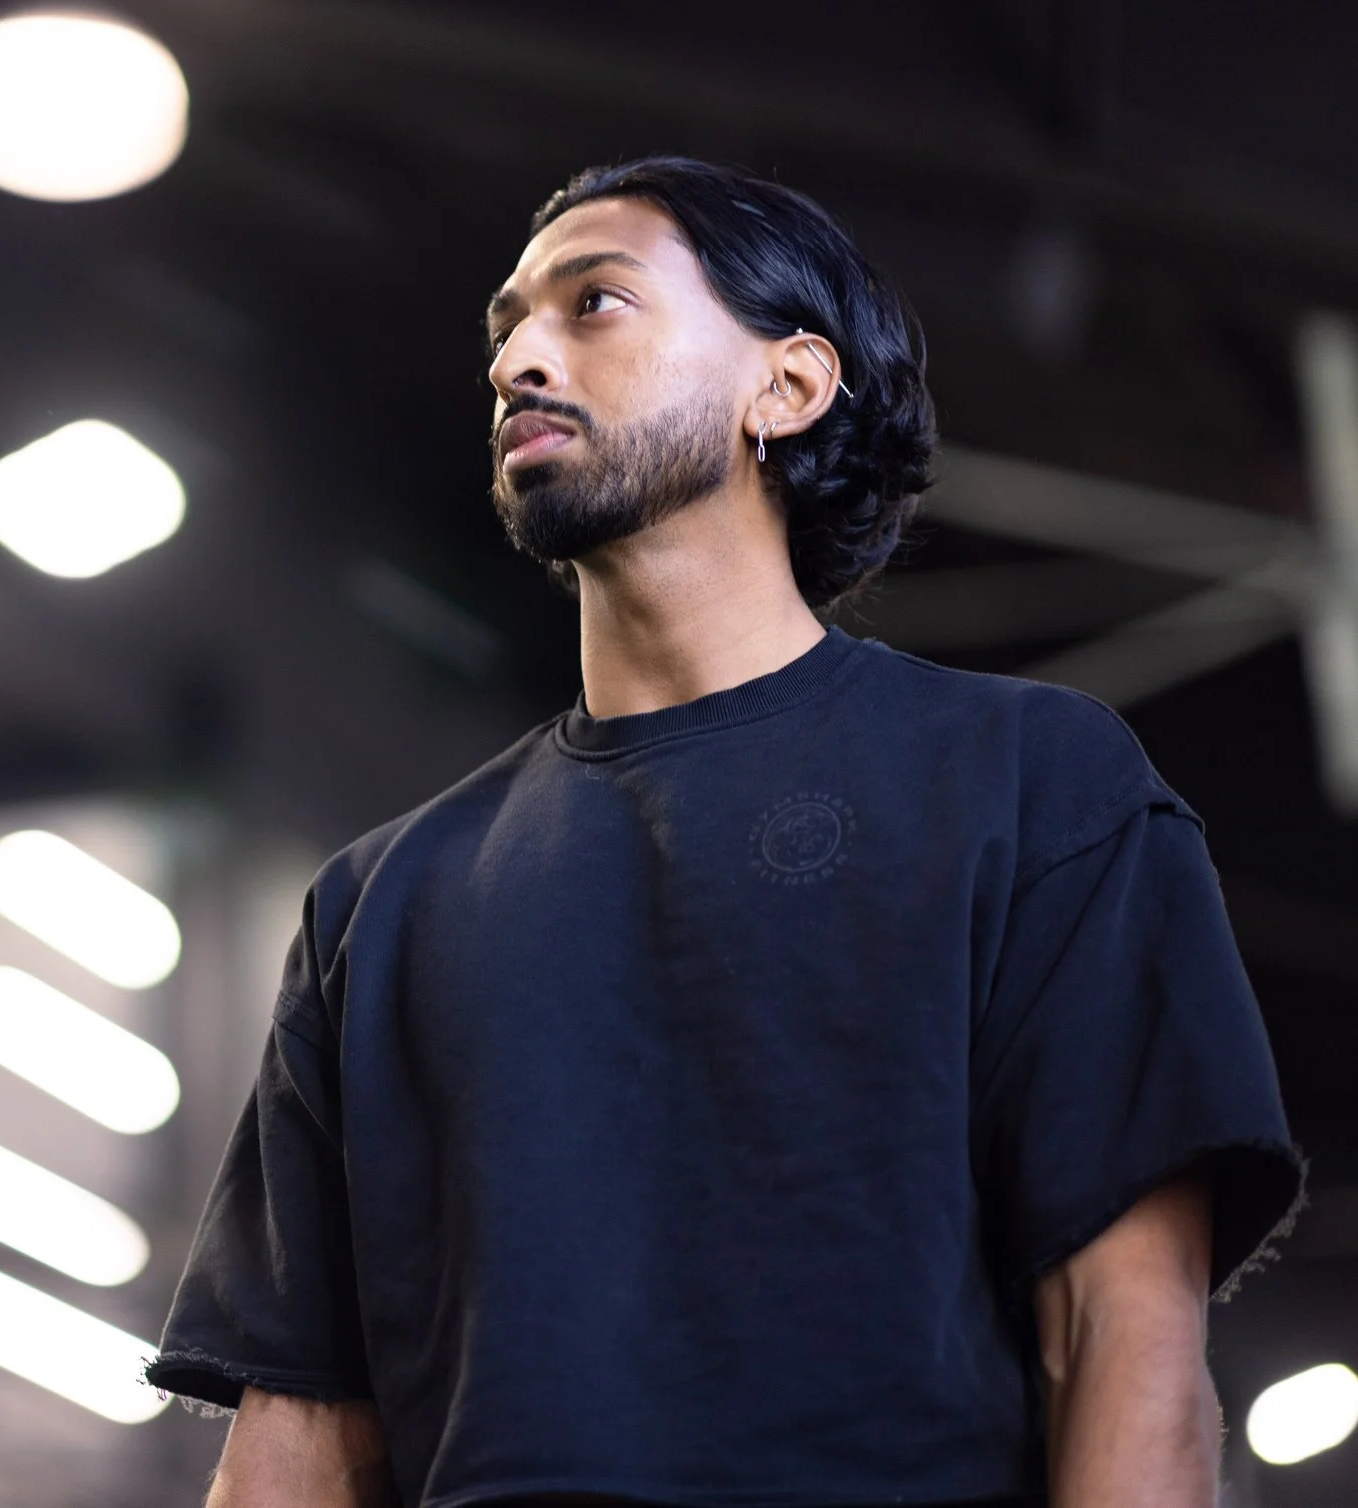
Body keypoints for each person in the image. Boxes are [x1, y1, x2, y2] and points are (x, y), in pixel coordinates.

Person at [145, 157, 1304, 1508]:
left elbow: (1123, 1342)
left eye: (595, 303)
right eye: (508, 326)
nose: (520, 356)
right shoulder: (379, 905)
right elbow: (295, 1447)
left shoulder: (1030, 783)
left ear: (789, 385)